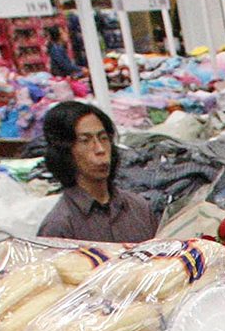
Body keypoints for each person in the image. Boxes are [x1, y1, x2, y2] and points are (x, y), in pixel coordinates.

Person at [37, 102, 157, 243]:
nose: (100, 149)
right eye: (85, 141)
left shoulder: (139, 208)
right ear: (65, 152)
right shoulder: (59, 226)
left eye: (103, 138)